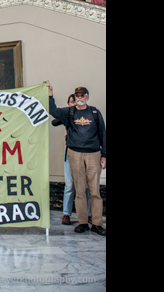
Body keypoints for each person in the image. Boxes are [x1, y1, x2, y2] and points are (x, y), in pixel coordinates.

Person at [46, 82, 106, 236]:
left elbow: (103, 134)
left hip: (93, 154)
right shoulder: (70, 112)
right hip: (75, 154)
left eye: (82, 96)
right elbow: (53, 111)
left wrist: (104, 155)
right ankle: (83, 222)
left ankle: (97, 223)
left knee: (94, 191)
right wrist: (50, 95)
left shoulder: (94, 113)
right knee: (79, 189)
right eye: (77, 96)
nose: (80, 98)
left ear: (87, 97)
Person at [52, 94, 92, 226]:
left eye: (75, 101)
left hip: (84, 152)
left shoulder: (86, 115)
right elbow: (54, 121)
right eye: (71, 102)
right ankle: (66, 213)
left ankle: (88, 214)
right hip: (70, 151)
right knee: (70, 184)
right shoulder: (68, 116)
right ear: (68, 104)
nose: (74, 103)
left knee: (85, 185)